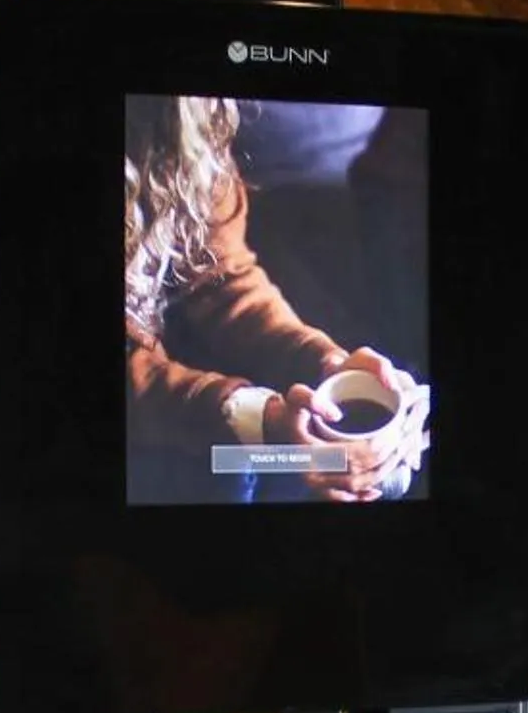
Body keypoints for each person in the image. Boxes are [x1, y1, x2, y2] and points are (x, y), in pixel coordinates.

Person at [122, 95, 427, 503]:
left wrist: (327, 365)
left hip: (174, 348)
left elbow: (221, 277)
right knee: (234, 470)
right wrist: (258, 422)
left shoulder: (192, 117)